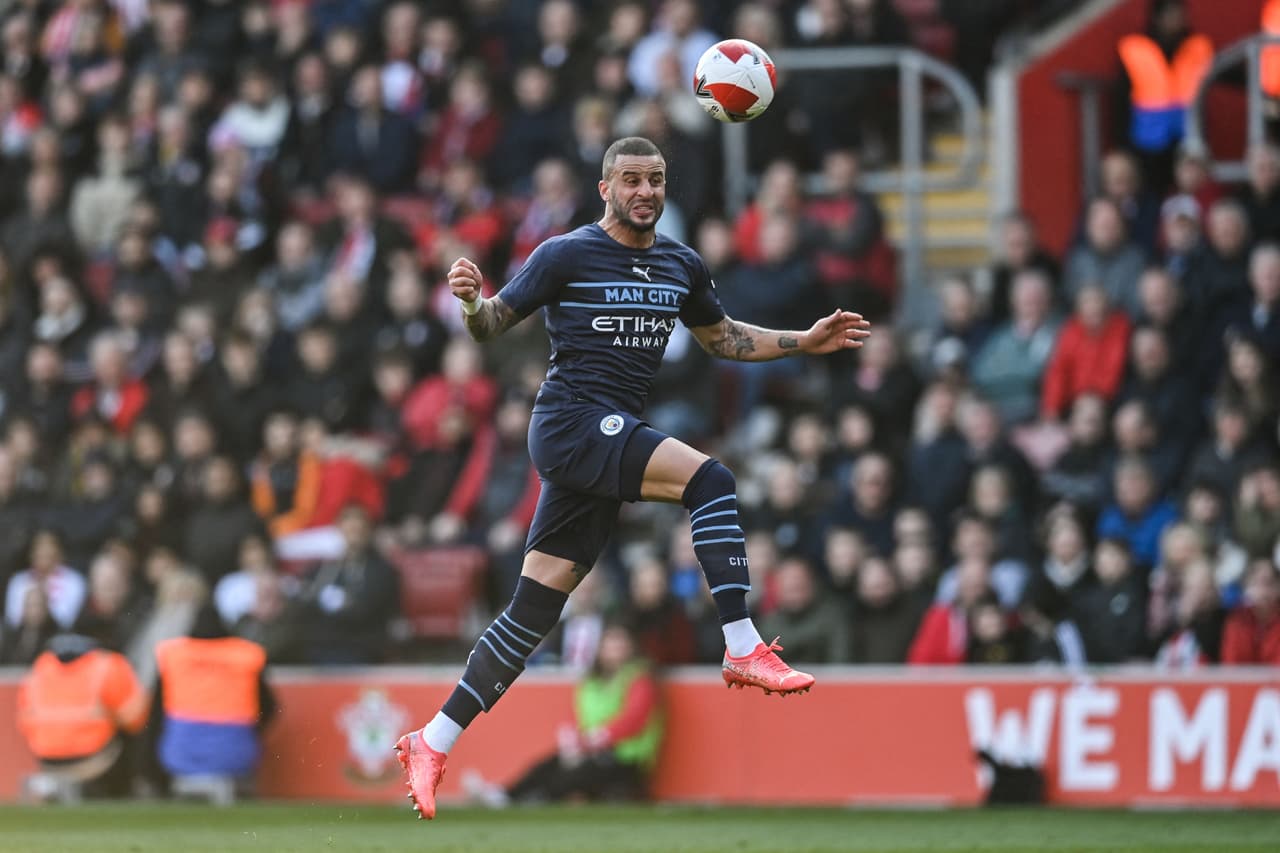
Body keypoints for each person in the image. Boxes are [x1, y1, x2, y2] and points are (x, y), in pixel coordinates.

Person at [395, 137, 872, 819]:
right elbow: (493, 323)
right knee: (711, 479)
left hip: (602, 441)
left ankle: (431, 740)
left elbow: (724, 336)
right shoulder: (565, 253)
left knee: (533, 611)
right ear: (605, 189)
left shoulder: (682, 264)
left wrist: (803, 339)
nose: (646, 191)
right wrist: (471, 302)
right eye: (632, 180)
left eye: (656, 180)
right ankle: (743, 645)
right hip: (570, 423)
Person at [462, 621, 662, 806]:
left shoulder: (638, 678)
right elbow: (579, 717)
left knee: (569, 776)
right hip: (592, 752)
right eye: (610, 644)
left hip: (626, 760)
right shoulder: (591, 683)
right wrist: (575, 743)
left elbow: (634, 720)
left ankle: (527, 799)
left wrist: (593, 740)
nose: (614, 650)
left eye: (619, 644)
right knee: (547, 765)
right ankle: (503, 795)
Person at [150, 605, 275, 785]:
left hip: (181, 754)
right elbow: (269, 708)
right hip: (236, 754)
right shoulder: (246, 654)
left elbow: (155, 714)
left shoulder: (173, 655)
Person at [17, 631, 148, 797]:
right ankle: (130, 791)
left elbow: (24, 722)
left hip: (45, 758)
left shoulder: (39, 668)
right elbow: (136, 720)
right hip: (93, 760)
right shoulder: (109, 665)